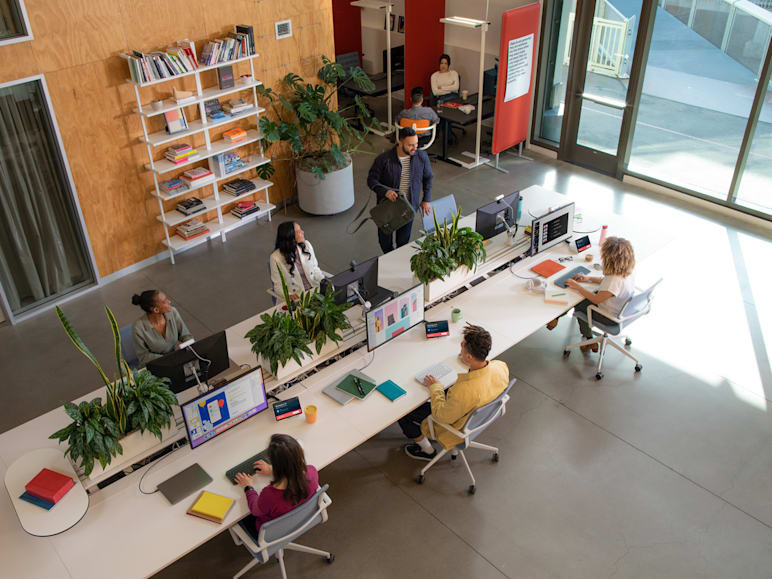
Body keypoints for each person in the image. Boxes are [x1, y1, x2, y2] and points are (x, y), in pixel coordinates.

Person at [398, 324, 510, 460]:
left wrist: (435, 387)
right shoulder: (500, 366)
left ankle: (427, 451)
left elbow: (441, 416)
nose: (460, 348)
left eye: (462, 346)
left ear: (469, 357)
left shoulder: (463, 392)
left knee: (404, 414)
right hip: (480, 413)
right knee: (447, 390)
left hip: (453, 426)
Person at [546, 237, 636, 354]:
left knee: (578, 302)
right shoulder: (626, 272)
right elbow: (606, 283)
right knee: (583, 298)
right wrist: (588, 279)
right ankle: (558, 319)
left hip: (609, 318)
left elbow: (596, 299)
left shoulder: (613, 280)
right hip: (622, 312)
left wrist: (577, 286)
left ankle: (588, 338)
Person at [234, 434, 319, 540]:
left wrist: (248, 487)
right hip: (304, 518)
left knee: (237, 518)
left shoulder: (269, 495)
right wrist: (271, 469)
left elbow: (254, 510)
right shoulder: (312, 471)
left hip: (272, 533)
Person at [367, 127, 434, 253]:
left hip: (408, 207)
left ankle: (396, 260)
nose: (415, 148)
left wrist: (426, 199)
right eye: (410, 145)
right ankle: (389, 257)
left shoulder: (421, 157)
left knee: (403, 242)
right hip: (387, 208)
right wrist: (385, 192)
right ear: (400, 142)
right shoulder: (383, 159)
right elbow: (371, 181)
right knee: (384, 241)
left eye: (416, 144)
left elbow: (428, 177)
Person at [131, 290, 193, 367]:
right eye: (164, 301)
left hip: (175, 361)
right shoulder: (138, 327)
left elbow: (186, 336)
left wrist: (191, 352)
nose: (169, 302)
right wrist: (169, 360)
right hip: (155, 365)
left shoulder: (172, 312)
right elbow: (143, 356)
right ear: (156, 310)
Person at [269, 221, 325, 302]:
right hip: (297, 298)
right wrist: (288, 295)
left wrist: (323, 280)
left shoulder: (307, 245)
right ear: (290, 236)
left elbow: (315, 269)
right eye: (298, 231)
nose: (303, 232)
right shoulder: (275, 257)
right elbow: (278, 286)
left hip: (314, 291)